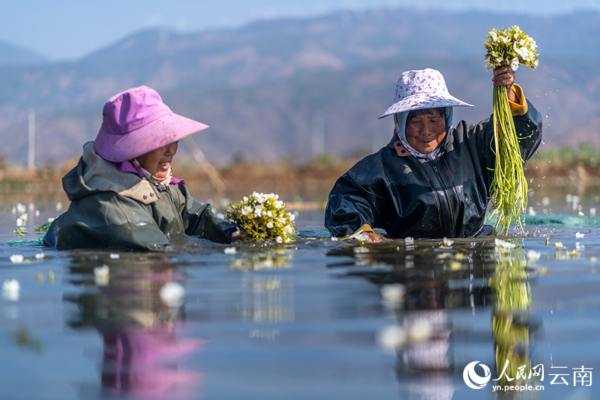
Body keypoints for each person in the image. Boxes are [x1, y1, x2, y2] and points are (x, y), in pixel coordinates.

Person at [325, 67, 542, 242]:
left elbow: (519, 136)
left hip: (476, 256)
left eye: (434, 120)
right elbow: (347, 201)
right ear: (400, 123)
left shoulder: (472, 143)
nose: (426, 130)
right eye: (415, 121)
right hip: (414, 264)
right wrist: (364, 232)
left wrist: (509, 94)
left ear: (447, 117)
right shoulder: (383, 167)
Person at [44, 86, 238, 251]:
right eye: (160, 141)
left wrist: (233, 234)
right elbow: (154, 251)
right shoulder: (113, 203)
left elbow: (197, 218)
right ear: (131, 151)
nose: (171, 150)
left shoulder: (161, 186)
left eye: (172, 140)